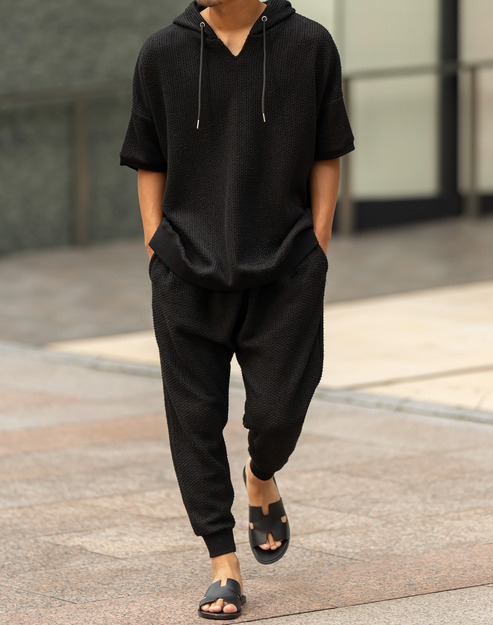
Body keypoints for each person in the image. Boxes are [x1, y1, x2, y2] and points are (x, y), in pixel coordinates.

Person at [119, 0, 354, 619]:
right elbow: (149, 157)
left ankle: (261, 473)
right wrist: (155, 244)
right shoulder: (163, 52)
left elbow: (327, 149)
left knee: (278, 411)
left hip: (285, 266)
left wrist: (318, 243)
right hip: (185, 272)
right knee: (194, 420)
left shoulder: (308, 45)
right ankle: (222, 562)